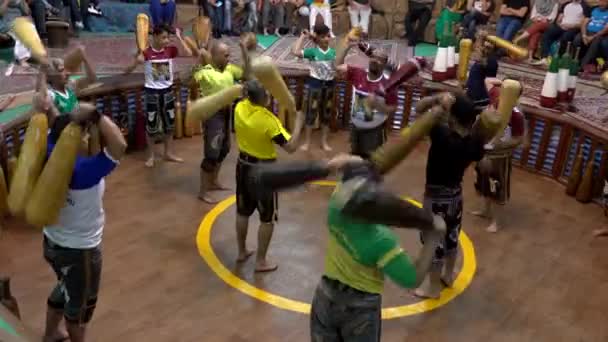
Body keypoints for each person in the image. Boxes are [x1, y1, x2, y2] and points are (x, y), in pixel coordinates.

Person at [250, 156, 447, 341]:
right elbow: (412, 279)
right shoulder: (381, 240)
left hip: (325, 299)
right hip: (361, 313)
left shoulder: (336, 207)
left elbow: (351, 182)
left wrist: (336, 165)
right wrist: (433, 238)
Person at [33, 83, 127, 342]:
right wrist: (95, 114)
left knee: (66, 286)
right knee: (79, 310)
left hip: (52, 243)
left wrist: (51, 108)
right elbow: (119, 145)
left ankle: (51, 333)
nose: (88, 137)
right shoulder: (84, 172)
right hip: (80, 251)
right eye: (84, 134)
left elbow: (55, 126)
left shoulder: (50, 152)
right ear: (74, 139)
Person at [414, 93, 491, 299]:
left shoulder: (442, 136)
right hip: (455, 197)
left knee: (434, 242)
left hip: (436, 198)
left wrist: (436, 100)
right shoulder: (474, 140)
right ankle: (448, 275)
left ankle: (432, 288)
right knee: (451, 238)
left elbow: (418, 109)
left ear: (453, 118)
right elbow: (484, 164)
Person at [233, 80, 304, 272]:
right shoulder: (268, 120)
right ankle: (260, 261)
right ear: (264, 100)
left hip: (243, 166)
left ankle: (241, 251)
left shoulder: (239, 107)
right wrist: (298, 124)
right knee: (267, 218)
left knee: (242, 211)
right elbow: (291, 147)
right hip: (264, 172)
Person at [124, 24, 190, 168]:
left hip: (168, 92)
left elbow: (188, 52)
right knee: (152, 126)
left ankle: (168, 153)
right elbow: (126, 71)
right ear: (155, 37)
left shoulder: (171, 50)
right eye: (164, 37)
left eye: (168, 37)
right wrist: (136, 61)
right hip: (152, 93)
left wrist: (179, 37)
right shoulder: (146, 53)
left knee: (169, 125)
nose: (167, 41)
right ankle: (151, 156)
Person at [193, 37, 250, 203]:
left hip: (226, 113)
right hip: (212, 115)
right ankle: (203, 192)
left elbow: (246, 74)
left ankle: (213, 182)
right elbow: (187, 79)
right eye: (225, 55)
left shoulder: (230, 69)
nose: (228, 58)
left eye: (229, 55)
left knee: (224, 149)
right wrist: (198, 58)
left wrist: (244, 50)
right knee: (211, 153)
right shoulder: (205, 71)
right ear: (215, 56)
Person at [472, 77, 526, 233]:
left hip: (500, 157)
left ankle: (496, 221)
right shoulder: (495, 96)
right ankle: (485, 210)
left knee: (496, 187)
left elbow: (518, 139)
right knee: (483, 183)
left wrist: (500, 144)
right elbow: (487, 81)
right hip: (484, 152)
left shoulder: (516, 116)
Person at [335, 36, 398, 159]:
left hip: (374, 130)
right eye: (373, 57)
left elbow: (393, 108)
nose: (374, 60)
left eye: (379, 59)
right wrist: (347, 47)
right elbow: (337, 66)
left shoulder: (388, 84)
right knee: (354, 156)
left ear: (384, 64)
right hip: (355, 127)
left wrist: (379, 106)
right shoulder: (359, 73)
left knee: (371, 160)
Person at [291, 23, 335, 152]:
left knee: (326, 115)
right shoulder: (313, 52)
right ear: (318, 38)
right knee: (311, 114)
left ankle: (324, 142)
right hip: (315, 85)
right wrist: (303, 37)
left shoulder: (333, 52)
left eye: (328, 36)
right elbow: (295, 52)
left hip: (329, 85)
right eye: (324, 37)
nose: (327, 39)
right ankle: (307, 142)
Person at [45, 46, 97, 118]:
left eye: (65, 70)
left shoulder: (70, 86)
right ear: (51, 77)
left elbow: (92, 79)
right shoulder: (50, 94)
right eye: (61, 70)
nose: (67, 73)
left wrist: (84, 59)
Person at [534, 0, 585, 66]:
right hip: (562, 26)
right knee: (548, 33)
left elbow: (583, 23)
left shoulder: (585, 6)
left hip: (574, 28)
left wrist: (571, 26)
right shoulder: (566, 4)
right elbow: (558, 20)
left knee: (566, 37)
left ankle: (558, 60)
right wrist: (560, 24)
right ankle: (544, 58)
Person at [572, 0, 608, 71]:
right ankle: (574, 62)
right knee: (577, 39)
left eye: (604, 2)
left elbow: (606, 28)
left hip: (599, 34)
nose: (601, 4)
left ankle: (583, 65)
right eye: (600, 2)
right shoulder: (593, 9)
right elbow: (584, 23)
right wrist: (584, 35)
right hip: (587, 32)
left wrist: (592, 37)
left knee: (596, 41)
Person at [0, 0, 32, 76]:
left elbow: (27, 12)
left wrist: (23, 2)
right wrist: (6, 2)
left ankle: (22, 59)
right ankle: (20, 59)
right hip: (5, 25)